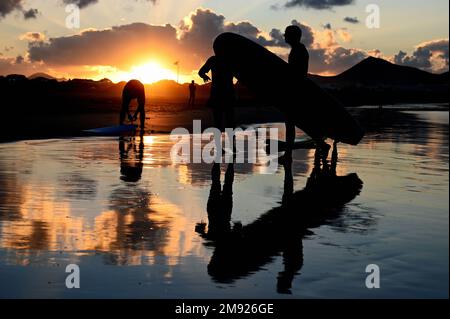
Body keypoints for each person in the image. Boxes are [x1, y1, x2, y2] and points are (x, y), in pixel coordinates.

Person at [282, 25, 330, 161]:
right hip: (297, 91)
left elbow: (295, 73)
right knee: (299, 123)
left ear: (293, 36)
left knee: (292, 124)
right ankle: (321, 144)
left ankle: (288, 155)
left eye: (286, 34)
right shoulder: (298, 49)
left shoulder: (298, 50)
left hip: (296, 92)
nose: (284, 37)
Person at [198, 55, 235, 132]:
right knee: (229, 119)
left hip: (216, 92)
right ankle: (231, 141)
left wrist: (204, 76)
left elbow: (201, 72)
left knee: (218, 120)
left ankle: (218, 141)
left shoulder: (213, 60)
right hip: (228, 92)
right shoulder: (230, 59)